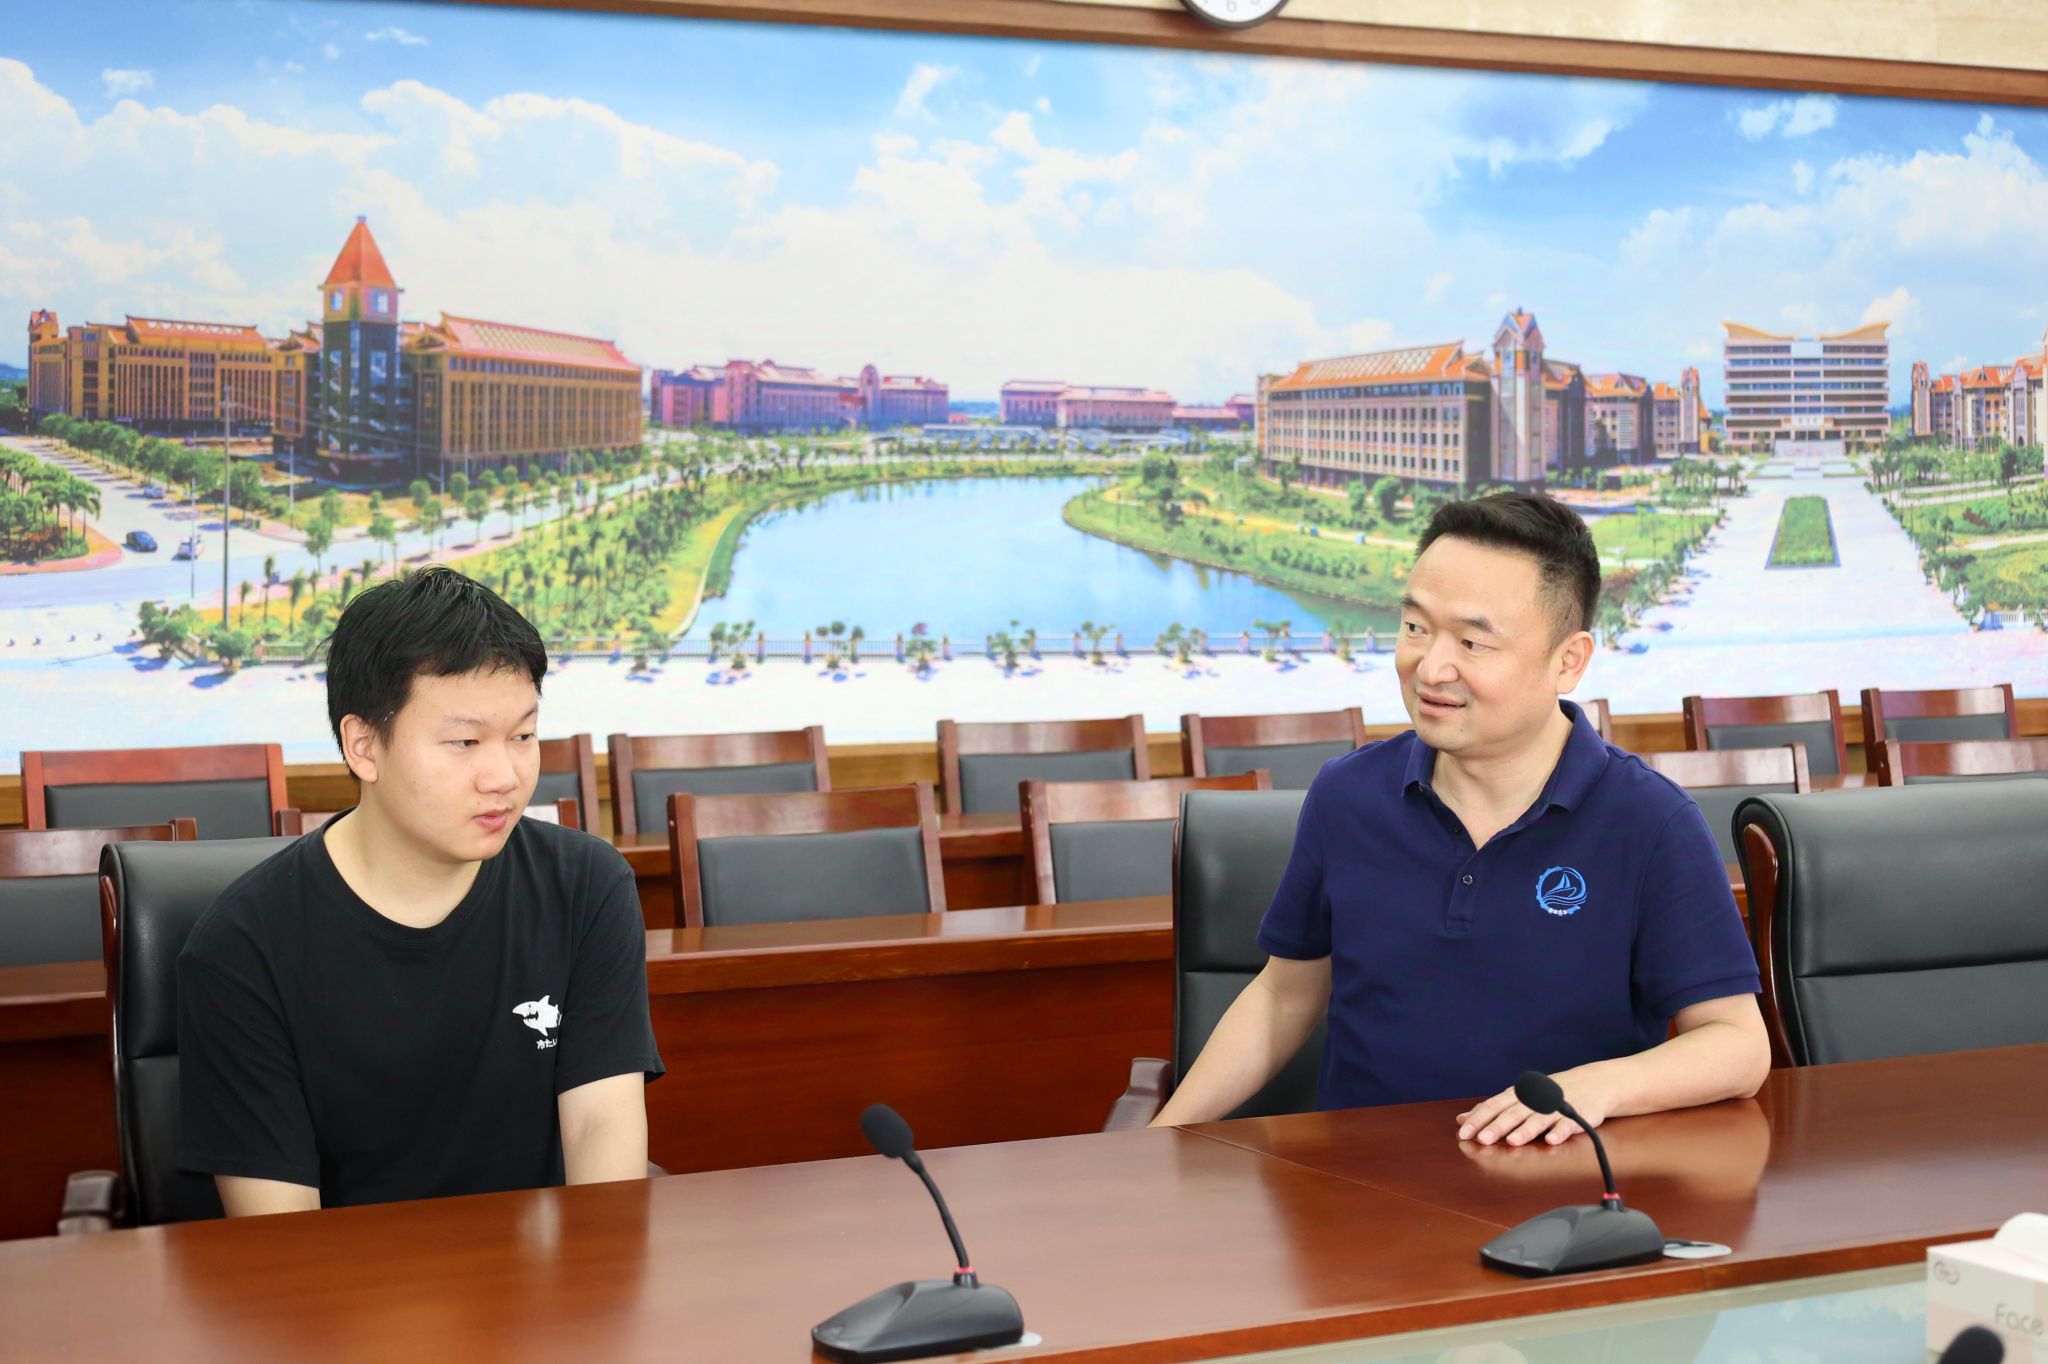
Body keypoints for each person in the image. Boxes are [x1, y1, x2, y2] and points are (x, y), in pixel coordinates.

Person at [1153, 492, 1768, 1145]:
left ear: (1568, 660)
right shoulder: (1346, 796)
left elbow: (1736, 1044)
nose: (1430, 667)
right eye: (1416, 627)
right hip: (1355, 1184)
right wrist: (1162, 1139)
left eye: (1473, 642)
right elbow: (1285, 996)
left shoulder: (1650, 821)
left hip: (1556, 1185)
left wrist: (1596, 1087)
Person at [178, 566, 663, 1215]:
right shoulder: (243, 944)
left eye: (522, 736)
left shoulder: (586, 887)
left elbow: (601, 1128)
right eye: (464, 741)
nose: (504, 776)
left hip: (549, 1270)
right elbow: (279, 1230)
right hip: (348, 1274)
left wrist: (595, 1265)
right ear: (363, 746)